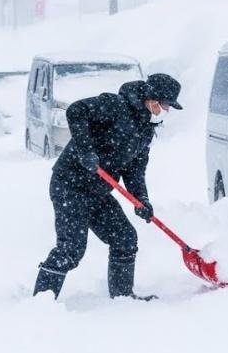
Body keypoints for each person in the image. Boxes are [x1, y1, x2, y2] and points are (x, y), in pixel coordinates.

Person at [33, 73, 183, 300]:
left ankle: (122, 298)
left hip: (98, 192)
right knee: (71, 249)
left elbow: (134, 171)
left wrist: (141, 199)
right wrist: (85, 150)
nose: (166, 110)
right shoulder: (115, 105)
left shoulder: (144, 130)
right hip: (70, 185)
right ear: (152, 98)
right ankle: (40, 302)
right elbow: (76, 111)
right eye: (165, 104)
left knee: (125, 238)